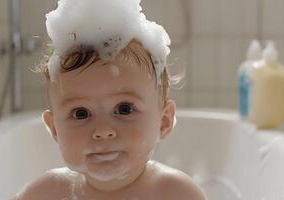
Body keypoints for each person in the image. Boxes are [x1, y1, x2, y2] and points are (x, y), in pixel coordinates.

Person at [13, 0, 207, 199]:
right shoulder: (48, 192)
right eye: (81, 113)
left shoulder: (176, 193)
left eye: (124, 109)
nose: (103, 131)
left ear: (164, 121)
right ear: (54, 129)